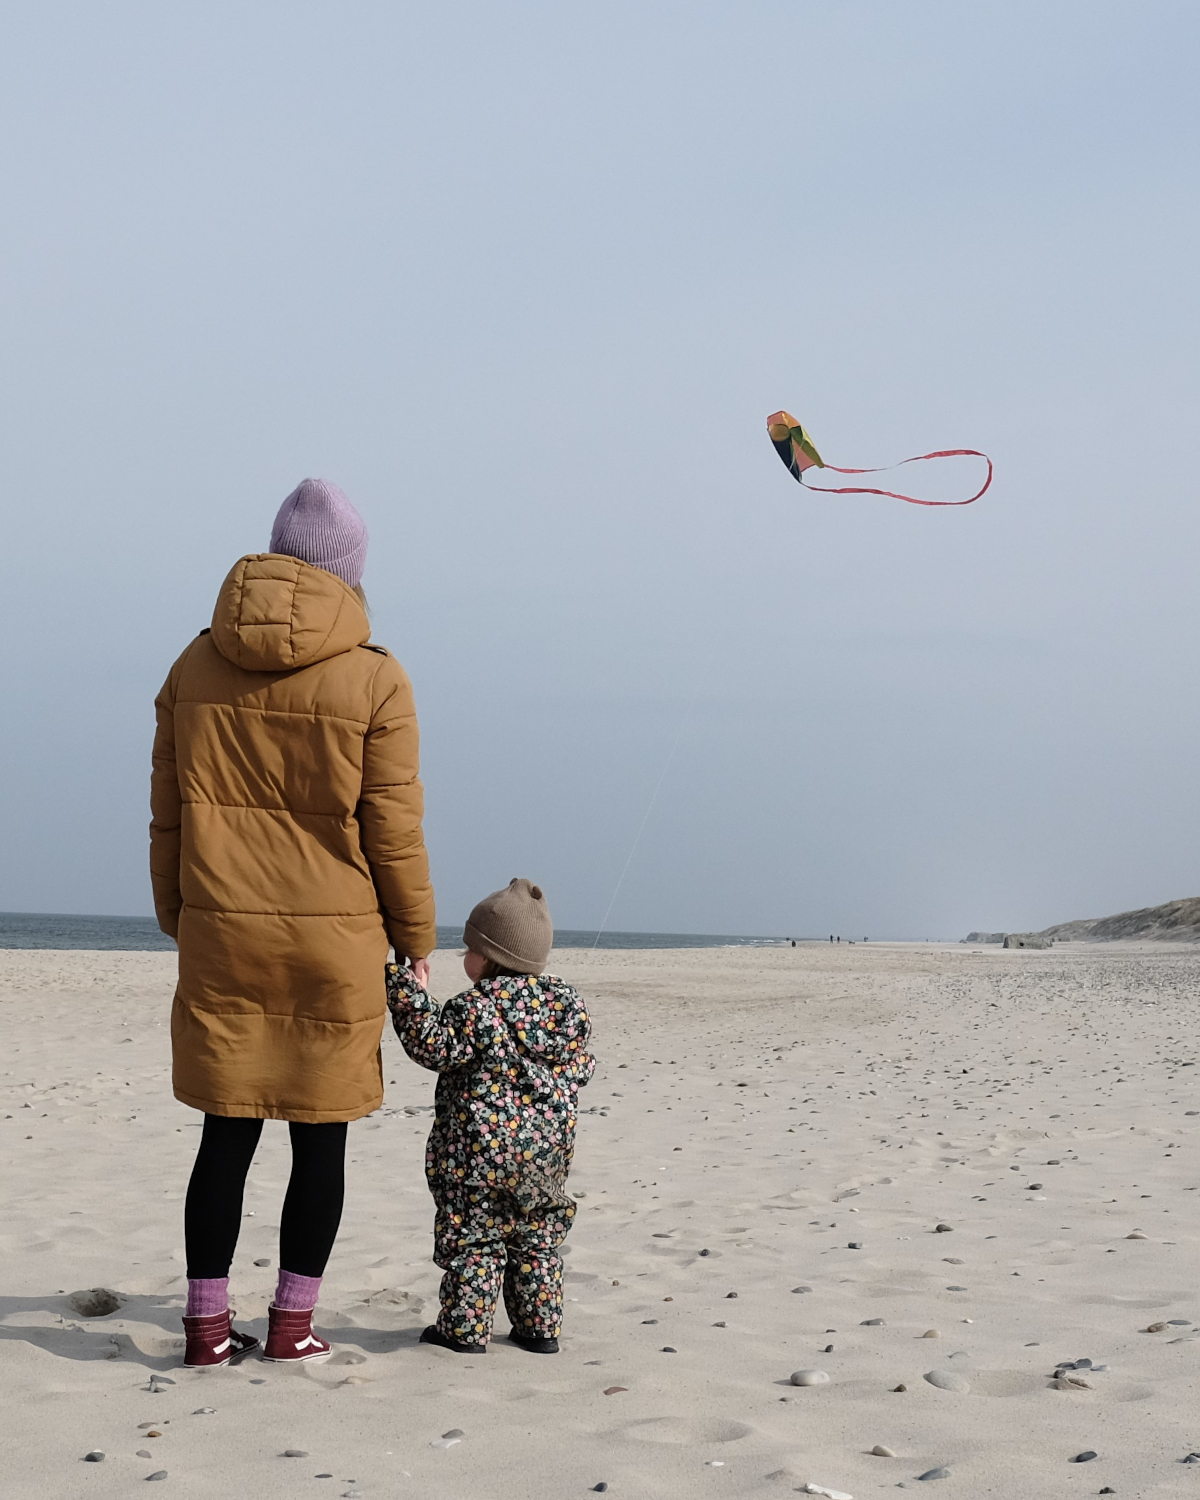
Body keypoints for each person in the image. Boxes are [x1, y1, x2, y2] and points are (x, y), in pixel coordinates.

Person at [150, 478, 436, 1368]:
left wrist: (178, 915)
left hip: (223, 937)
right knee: (321, 1141)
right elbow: (393, 827)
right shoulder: (376, 674)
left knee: (224, 1134)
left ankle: (203, 1333)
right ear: (350, 572)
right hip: (333, 942)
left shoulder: (193, 665)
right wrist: (417, 942)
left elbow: (169, 813)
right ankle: (292, 1328)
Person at [386, 879, 594, 1354]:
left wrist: (408, 993)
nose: (464, 957)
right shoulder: (567, 1010)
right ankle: (539, 1329)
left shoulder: (476, 1008)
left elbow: (435, 1046)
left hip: (478, 1155)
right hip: (545, 1155)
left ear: (492, 956)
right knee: (536, 1235)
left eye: (470, 948)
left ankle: (463, 1331)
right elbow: (580, 1067)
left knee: (474, 1237)